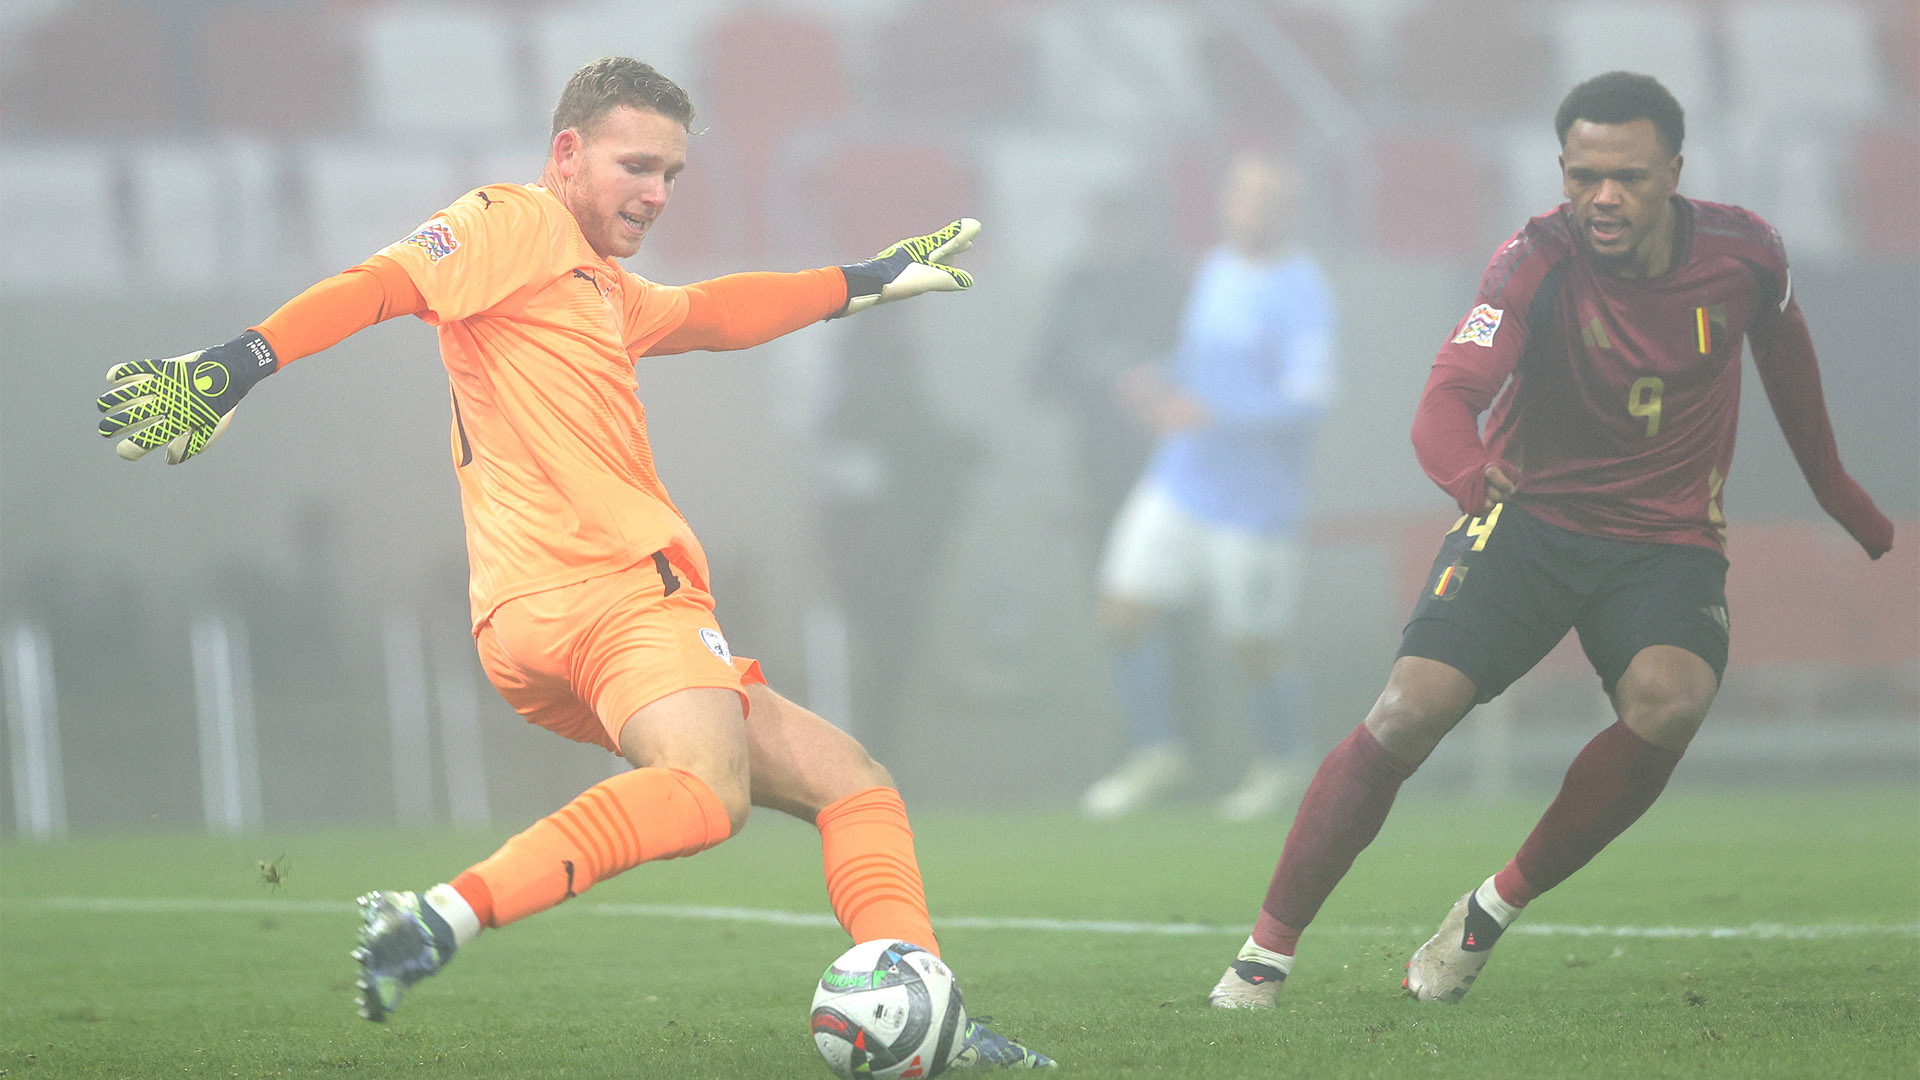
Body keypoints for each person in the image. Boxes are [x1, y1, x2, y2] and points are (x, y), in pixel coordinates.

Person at [95, 57, 1052, 1069]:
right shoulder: (517, 219)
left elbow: (713, 313)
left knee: (852, 784)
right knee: (707, 791)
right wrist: (234, 364)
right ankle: (438, 914)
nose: (656, 193)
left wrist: (866, 280)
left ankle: (930, 1014)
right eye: (637, 165)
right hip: (611, 589)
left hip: (530, 621)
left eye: (673, 175)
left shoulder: (596, 287)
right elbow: (381, 284)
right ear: (566, 154)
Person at [1207, 71, 1894, 1010]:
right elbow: (1446, 396)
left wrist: (1839, 492)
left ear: (1674, 174)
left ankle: (1490, 910)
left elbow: (1786, 359)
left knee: (1671, 703)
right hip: (1527, 520)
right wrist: (1465, 473)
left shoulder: (1747, 254)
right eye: (1582, 176)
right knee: (1408, 712)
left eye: (1628, 176)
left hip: (1665, 538)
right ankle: (1264, 955)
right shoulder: (1530, 260)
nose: (1602, 197)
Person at [1080, 151, 1337, 821]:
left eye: (1269, 196)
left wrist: (1215, 416)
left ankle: (1286, 761)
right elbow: (1200, 360)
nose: (1254, 207)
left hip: (1255, 504)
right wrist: (1158, 378)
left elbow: (1309, 402)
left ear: (1290, 210)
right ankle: (1158, 751)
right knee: (1122, 610)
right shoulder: (1217, 270)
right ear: (1227, 201)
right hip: (1180, 479)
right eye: (1245, 193)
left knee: (1256, 646)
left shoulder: (1302, 290)